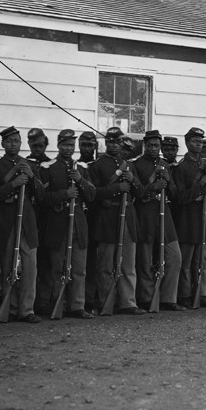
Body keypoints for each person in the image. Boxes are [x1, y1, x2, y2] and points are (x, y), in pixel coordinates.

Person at [0, 126, 46, 323]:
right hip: (6, 221)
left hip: (27, 221)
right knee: (8, 265)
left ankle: (26, 309)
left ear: (21, 144)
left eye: (16, 141)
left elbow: (41, 195)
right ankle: (9, 308)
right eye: (9, 141)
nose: (13, 145)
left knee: (30, 266)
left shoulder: (31, 165)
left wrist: (31, 178)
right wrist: (13, 184)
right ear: (3, 144)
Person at [39, 130, 96, 318]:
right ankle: (59, 305)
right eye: (65, 145)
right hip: (57, 223)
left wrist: (80, 180)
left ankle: (77, 306)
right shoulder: (48, 168)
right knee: (58, 268)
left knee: (79, 268)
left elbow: (91, 195)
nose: (68, 149)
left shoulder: (82, 168)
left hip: (78, 223)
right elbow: (42, 198)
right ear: (58, 145)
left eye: (71, 145)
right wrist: (65, 195)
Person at [89, 127, 145, 315]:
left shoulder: (129, 165)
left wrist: (133, 181)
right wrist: (116, 188)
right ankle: (107, 302)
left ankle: (128, 302)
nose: (114, 145)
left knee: (128, 263)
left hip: (127, 216)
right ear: (106, 143)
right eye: (111, 141)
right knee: (106, 264)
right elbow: (93, 194)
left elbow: (141, 193)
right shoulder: (97, 166)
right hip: (108, 217)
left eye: (118, 142)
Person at [130, 130, 185, 311]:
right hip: (145, 213)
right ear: (145, 145)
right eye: (151, 145)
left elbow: (175, 194)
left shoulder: (165, 165)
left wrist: (168, 182)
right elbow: (136, 192)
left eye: (157, 145)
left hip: (165, 212)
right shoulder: (136, 164)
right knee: (145, 258)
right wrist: (153, 186)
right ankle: (146, 297)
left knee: (174, 255)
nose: (154, 149)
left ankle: (168, 298)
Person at [171, 127, 206, 308]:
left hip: (204, 219)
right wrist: (200, 184)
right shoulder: (181, 167)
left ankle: (202, 293)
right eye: (195, 141)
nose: (198, 144)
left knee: (204, 261)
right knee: (187, 262)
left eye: (200, 141)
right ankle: (185, 295)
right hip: (188, 220)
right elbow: (181, 197)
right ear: (187, 143)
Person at [26, 128, 53, 314]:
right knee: (29, 262)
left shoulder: (52, 164)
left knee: (46, 262)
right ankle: (28, 302)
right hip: (30, 216)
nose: (38, 148)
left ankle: (44, 301)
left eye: (41, 145)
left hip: (48, 217)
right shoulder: (24, 163)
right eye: (34, 145)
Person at [78, 131, 99, 313]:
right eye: (84, 145)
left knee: (93, 262)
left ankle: (91, 299)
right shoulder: (74, 165)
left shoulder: (98, 166)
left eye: (90, 145)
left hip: (96, 219)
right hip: (78, 217)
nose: (87, 149)